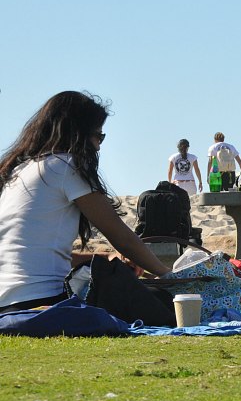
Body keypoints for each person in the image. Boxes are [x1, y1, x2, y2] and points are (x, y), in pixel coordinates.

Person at [0, 91, 171, 312]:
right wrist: (166, 274)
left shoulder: (18, 171)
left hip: (8, 305)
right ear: (78, 134)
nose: (99, 146)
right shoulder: (65, 166)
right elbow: (119, 235)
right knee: (163, 301)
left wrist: (103, 256)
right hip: (44, 300)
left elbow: (37, 254)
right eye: (98, 136)